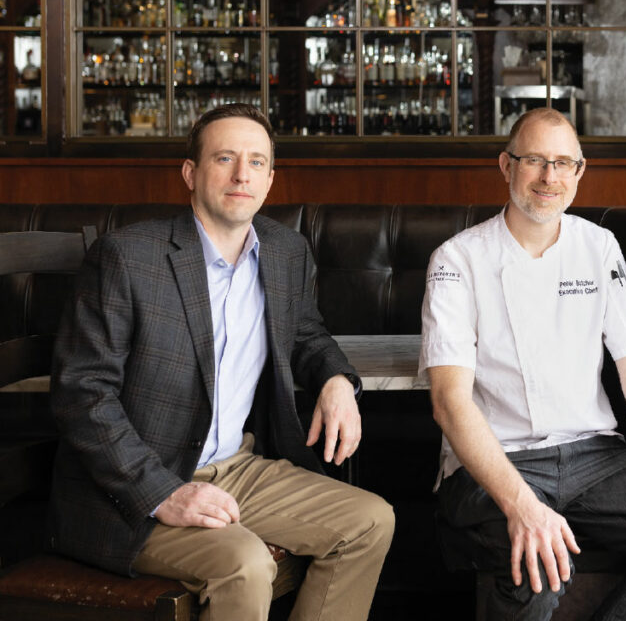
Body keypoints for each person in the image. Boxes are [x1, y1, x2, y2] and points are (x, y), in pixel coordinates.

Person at [48, 103, 394, 621]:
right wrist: (163, 492)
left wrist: (337, 380)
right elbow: (82, 394)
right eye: (225, 158)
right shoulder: (127, 257)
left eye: (256, 162)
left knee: (370, 521)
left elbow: (306, 335)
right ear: (190, 173)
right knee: (246, 564)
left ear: (270, 179)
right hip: (131, 490)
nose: (241, 175)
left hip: (238, 467)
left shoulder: (285, 251)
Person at [420, 107, 626, 620]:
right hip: (497, 460)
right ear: (506, 165)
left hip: (594, 458)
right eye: (535, 160)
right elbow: (450, 404)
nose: (549, 177)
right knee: (535, 572)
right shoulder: (457, 260)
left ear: (580, 172)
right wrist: (522, 506)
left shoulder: (598, 246)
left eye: (564, 163)